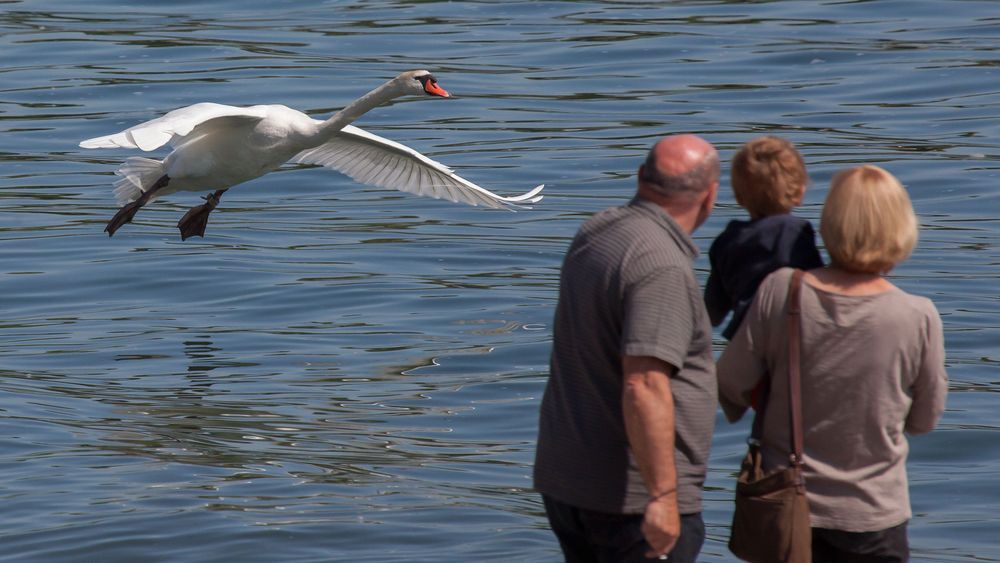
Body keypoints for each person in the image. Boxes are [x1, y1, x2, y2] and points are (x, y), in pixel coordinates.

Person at [717, 165, 948, 562]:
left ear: (830, 223)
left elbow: (730, 382)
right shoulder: (917, 315)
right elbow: (925, 420)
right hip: (875, 514)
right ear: (901, 228)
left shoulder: (782, 291)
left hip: (783, 508)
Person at [534, 134, 720, 562]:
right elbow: (644, 385)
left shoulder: (597, 231)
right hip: (629, 502)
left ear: (640, 178)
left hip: (570, 481)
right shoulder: (661, 266)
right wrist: (664, 497)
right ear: (710, 196)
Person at [705, 135, 823, 340]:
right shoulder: (797, 234)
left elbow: (712, 313)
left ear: (738, 195)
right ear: (800, 190)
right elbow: (820, 294)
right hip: (793, 342)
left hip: (744, 343)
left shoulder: (727, 241)